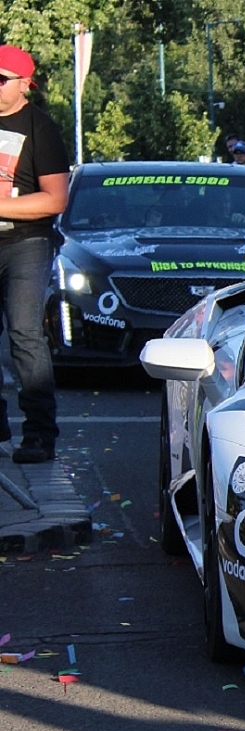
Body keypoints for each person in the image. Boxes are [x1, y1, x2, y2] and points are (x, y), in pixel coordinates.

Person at [0, 45, 68, 463]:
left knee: (24, 333)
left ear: (25, 84)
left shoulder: (40, 128)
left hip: (27, 242)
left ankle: (39, 434)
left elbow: (55, 199)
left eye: (1, 78)